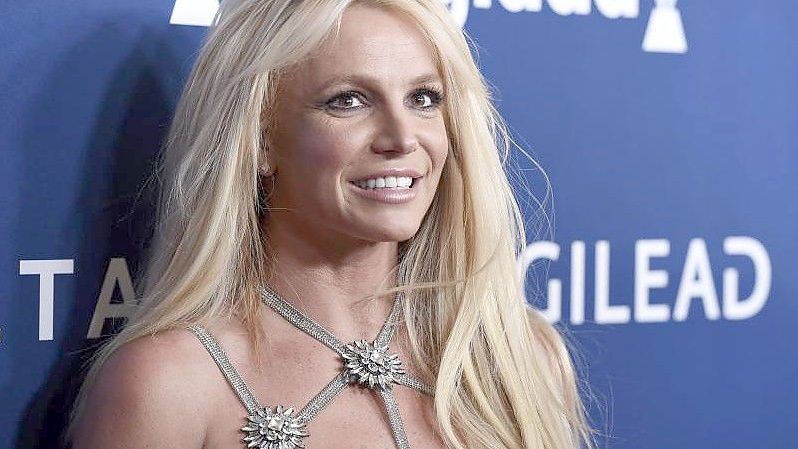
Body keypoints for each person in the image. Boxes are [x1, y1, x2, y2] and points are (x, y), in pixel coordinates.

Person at [68, 0, 594, 448]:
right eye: (349, 101)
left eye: (423, 99)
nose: (401, 137)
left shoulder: (519, 358)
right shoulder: (169, 385)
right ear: (261, 140)